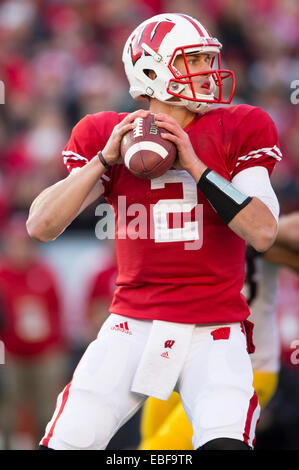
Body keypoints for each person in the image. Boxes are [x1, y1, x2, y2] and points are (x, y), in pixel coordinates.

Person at [26, 13, 281, 450]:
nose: (207, 69)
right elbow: (40, 225)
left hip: (215, 329)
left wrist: (196, 167)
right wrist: (103, 161)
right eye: (194, 60)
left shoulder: (240, 125)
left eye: (207, 58)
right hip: (131, 325)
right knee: (69, 440)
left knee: (225, 445)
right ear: (150, 70)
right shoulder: (105, 134)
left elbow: (263, 232)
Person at [138, 212, 299, 450]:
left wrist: (254, 234)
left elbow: (277, 232)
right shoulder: (182, 210)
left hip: (246, 366)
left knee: (161, 449)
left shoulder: (261, 213)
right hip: (177, 358)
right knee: (151, 438)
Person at [0, 213, 65, 449]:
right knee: (7, 414)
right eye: (15, 245)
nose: (20, 251)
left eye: (24, 245)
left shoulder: (45, 274)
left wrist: (55, 350)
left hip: (43, 353)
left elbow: (57, 313)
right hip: (10, 354)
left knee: (45, 413)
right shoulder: (2, 276)